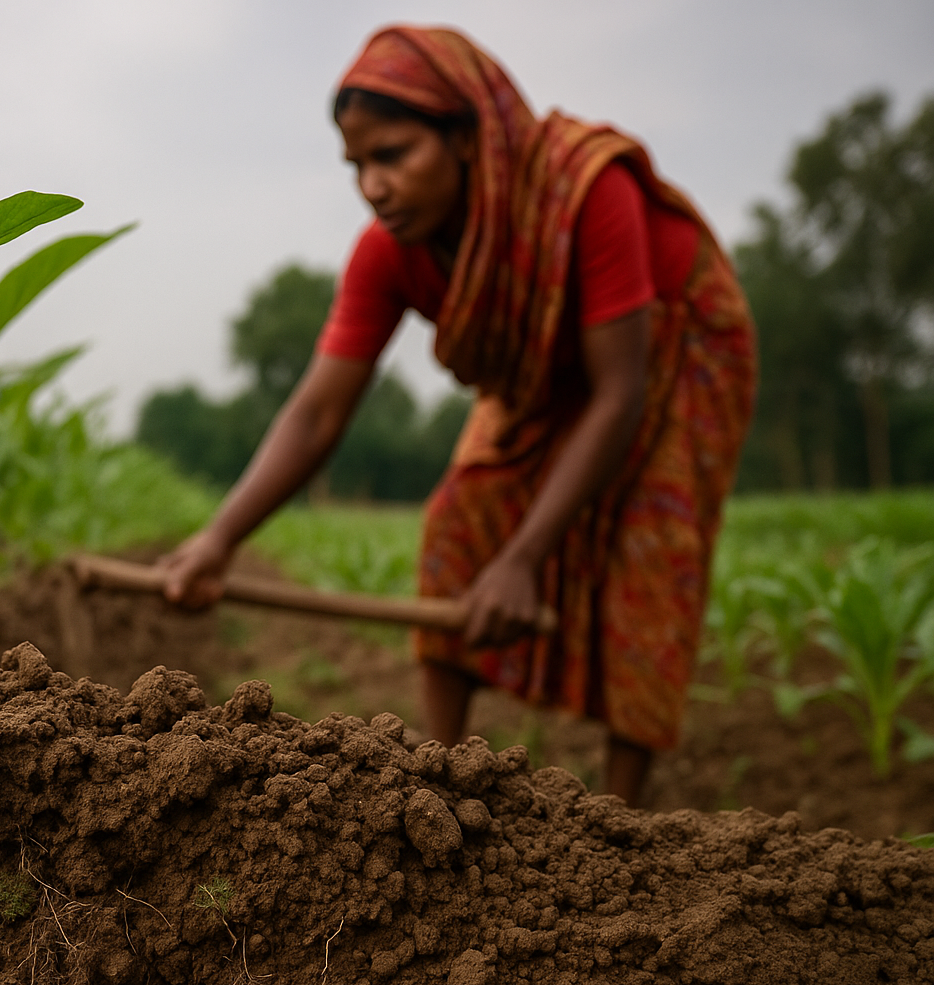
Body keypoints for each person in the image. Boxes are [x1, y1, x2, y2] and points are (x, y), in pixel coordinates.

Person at [159, 25, 755, 807]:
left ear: (470, 137)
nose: (373, 186)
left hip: (669, 348)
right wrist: (219, 539)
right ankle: (437, 780)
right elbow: (317, 413)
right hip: (540, 372)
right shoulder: (388, 254)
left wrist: (524, 559)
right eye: (357, 166)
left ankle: (622, 818)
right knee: (459, 525)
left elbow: (618, 394)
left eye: (393, 155)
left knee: (649, 550)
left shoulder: (586, 194)